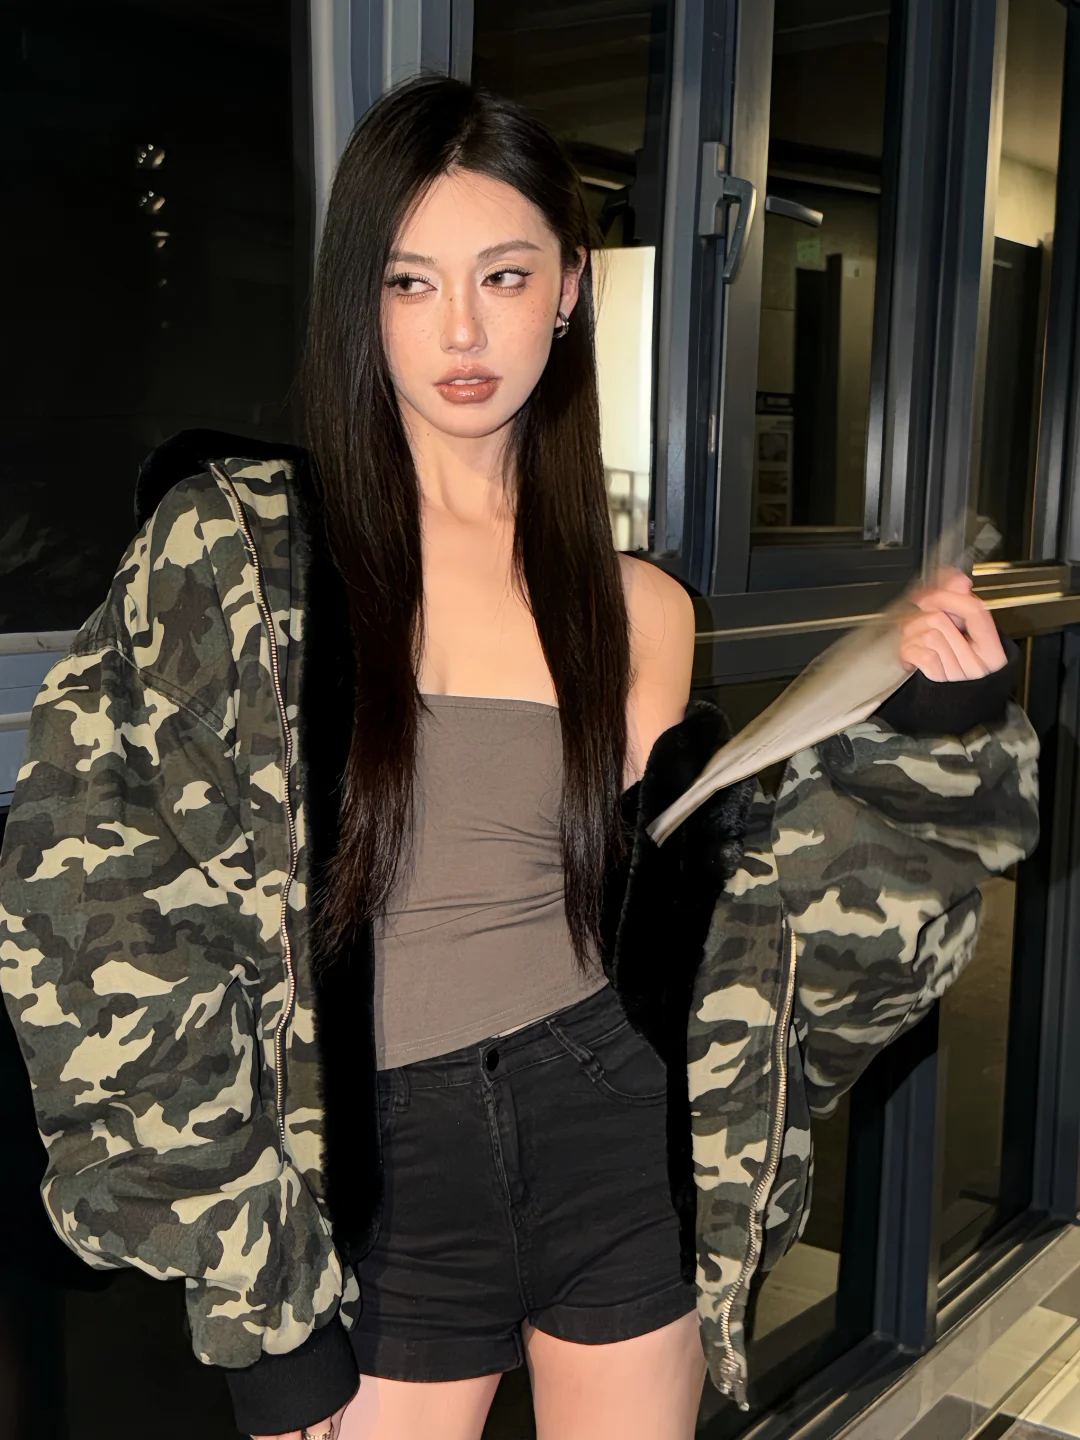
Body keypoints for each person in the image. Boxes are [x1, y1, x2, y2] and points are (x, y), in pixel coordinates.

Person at [0, 77, 1039, 1440]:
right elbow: (98, 919)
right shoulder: (242, 557)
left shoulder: (640, 606)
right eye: (410, 282)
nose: (462, 331)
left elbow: (731, 931)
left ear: (568, 290)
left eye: (503, 275)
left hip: (615, 1128)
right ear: (360, 301)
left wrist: (934, 731)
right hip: (375, 1170)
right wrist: (263, 1320)